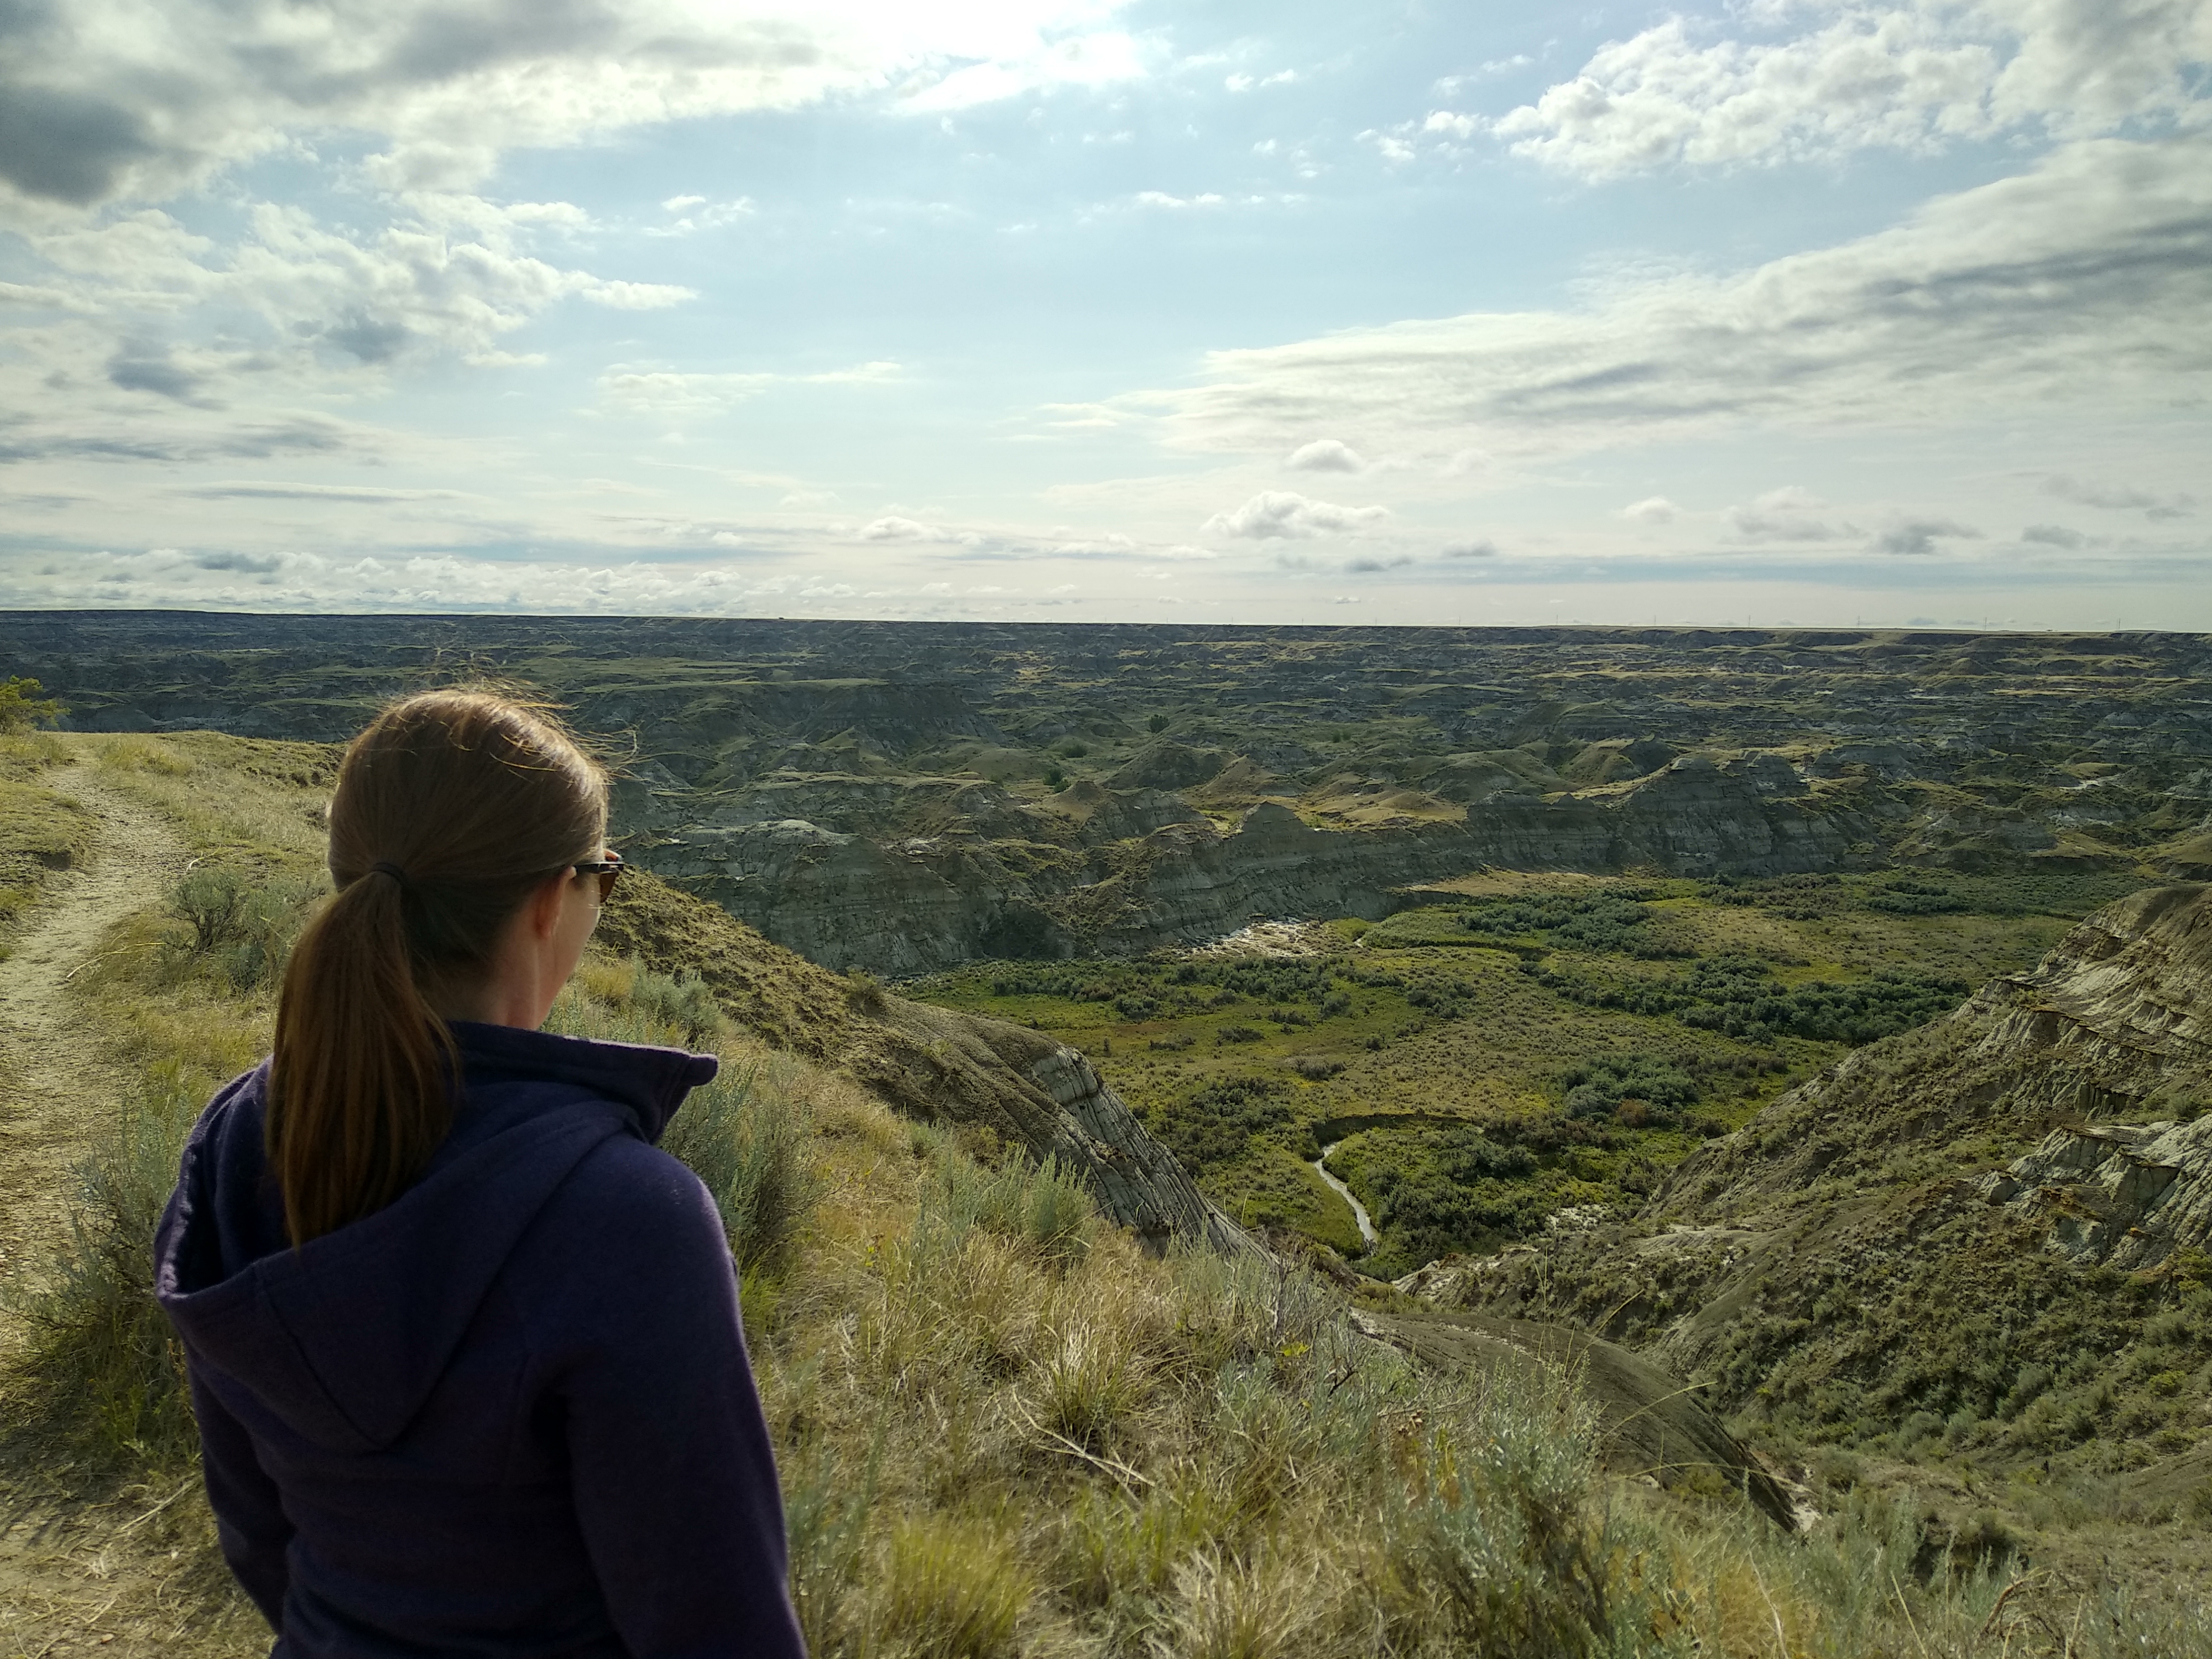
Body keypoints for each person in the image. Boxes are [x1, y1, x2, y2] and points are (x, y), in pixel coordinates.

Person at [154, 690, 805, 1658]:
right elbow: (715, 1619)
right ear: (551, 899)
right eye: (604, 875)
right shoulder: (628, 1218)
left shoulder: (241, 1136)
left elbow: (255, 1528)